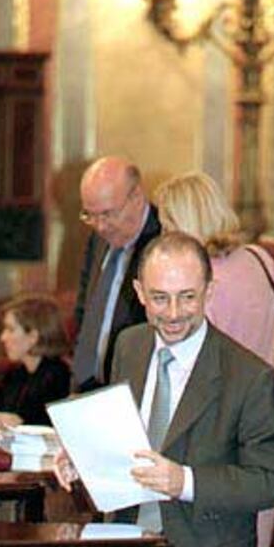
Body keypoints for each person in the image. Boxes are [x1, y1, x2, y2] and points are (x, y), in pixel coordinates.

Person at [55, 231, 274, 547]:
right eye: (160, 297)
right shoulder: (129, 345)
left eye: (188, 296)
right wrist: (85, 456)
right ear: (139, 293)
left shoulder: (251, 379)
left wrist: (182, 480)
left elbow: (272, 482)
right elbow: (125, 436)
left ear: (209, 290)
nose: (173, 313)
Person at [154, 170, 274, 547]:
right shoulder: (258, 258)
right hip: (270, 421)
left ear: (183, 223)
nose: (160, 234)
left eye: (164, 223)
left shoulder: (195, 285)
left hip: (210, 428)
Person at [72, 155, 160, 392]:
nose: (100, 226)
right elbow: (85, 311)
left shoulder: (164, 242)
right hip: (90, 388)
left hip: (135, 390)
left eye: (108, 214)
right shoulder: (98, 240)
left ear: (137, 198)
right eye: (90, 215)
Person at [0, 293, 71, 437]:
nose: (2, 337)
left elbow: (40, 426)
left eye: (10, 329)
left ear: (33, 337)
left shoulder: (59, 377)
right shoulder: (20, 372)